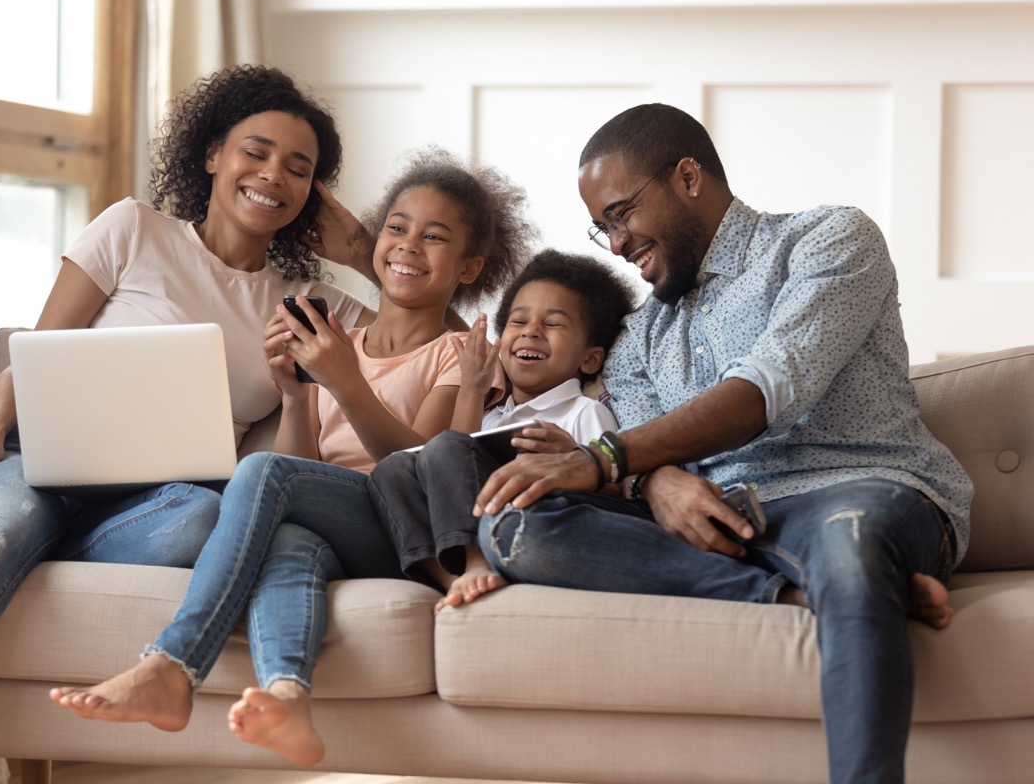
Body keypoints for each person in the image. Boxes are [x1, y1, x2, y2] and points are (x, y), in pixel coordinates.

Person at [0, 64, 372, 784]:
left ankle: (18, 547)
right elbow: (32, 355)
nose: (274, 174)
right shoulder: (132, 229)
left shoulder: (307, 302)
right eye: (256, 151)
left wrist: (363, 252)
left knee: (203, 517)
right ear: (212, 154)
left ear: (312, 194)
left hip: (158, 506)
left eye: (299, 169)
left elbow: (450, 349)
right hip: (36, 466)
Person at [470, 103, 973, 784]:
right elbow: (649, 447)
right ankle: (808, 593)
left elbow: (765, 389)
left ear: (687, 177)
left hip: (855, 489)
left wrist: (605, 460)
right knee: (515, 524)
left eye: (621, 215)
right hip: (720, 521)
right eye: (602, 228)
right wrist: (660, 483)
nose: (615, 245)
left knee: (849, 543)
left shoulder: (828, 239)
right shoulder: (638, 338)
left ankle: (850, 586)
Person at [47, 147, 535, 767]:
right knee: (288, 543)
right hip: (339, 520)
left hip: (400, 527)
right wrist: (296, 395)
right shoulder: (341, 340)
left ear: (469, 268)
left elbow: (418, 467)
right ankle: (288, 695)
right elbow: (305, 462)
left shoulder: (456, 354)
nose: (409, 246)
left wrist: (346, 383)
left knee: (260, 471)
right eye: (396, 227)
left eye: (434, 237)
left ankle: (172, 664)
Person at [368, 248, 634, 612]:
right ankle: (452, 578)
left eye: (553, 324)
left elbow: (616, 491)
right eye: (518, 321)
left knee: (447, 446)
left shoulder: (585, 411)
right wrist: (472, 389)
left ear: (590, 359)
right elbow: (449, 464)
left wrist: (574, 456)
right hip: (477, 516)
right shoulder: (492, 416)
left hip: (532, 524)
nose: (531, 332)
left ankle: (477, 563)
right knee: (392, 467)